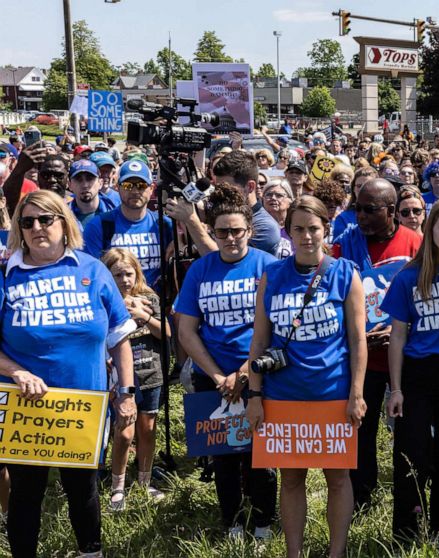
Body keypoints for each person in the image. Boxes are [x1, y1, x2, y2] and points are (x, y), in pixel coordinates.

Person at [0, 190, 136, 558]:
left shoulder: (93, 269)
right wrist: (18, 371)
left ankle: (91, 552)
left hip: (83, 407)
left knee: (84, 488)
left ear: (65, 222)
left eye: (46, 219)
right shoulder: (6, 274)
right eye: (27, 222)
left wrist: (127, 392)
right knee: (26, 493)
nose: (37, 228)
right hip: (25, 409)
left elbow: (119, 338)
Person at [245, 196, 367, 558]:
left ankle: (336, 552)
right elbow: (260, 339)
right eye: (298, 228)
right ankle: (293, 553)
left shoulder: (346, 273)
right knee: (292, 479)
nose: (306, 236)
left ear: (325, 229)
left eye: (313, 228)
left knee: (337, 478)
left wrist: (357, 393)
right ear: (288, 230)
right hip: (283, 396)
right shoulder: (273, 275)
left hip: (333, 392)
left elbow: (358, 339)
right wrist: (254, 395)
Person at [173, 185, 278, 539]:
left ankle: (263, 522)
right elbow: (187, 329)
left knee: (260, 454)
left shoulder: (269, 267)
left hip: (259, 375)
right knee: (224, 457)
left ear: (249, 230)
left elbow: (278, 329)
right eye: (222, 232)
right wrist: (219, 376)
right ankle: (232, 521)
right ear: (213, 232)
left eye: (237, 231)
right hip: (213, 378)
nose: (230, 238)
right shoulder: (200, 270)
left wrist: (245, 372)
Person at [382, 198, 439, 542]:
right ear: (430, 228)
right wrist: (396, 388)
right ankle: (406, 532)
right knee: (411, 455)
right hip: (419, 372)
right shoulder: (409, 276)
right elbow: (398, 336)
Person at [330, 179, 422, 510]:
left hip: (405, 356)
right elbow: (331, 295)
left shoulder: (415, 244)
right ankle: (361, 497)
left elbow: (428, 297)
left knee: (408, 432)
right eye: (357, 208)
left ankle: (408, 500)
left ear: (391, 211)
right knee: (361, 430)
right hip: (362, 358)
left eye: (369, 210)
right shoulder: (344, 244)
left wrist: (402, 331)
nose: (360, 217)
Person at [102, 248, 168, 512]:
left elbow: (167, 333)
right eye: (117, 275)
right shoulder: (103, 300)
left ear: (137, 273)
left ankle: (144, 480)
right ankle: (117, 486)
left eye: (129, 274)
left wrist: (145, 316)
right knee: (124, 431)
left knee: (147, 429)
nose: (124, 280)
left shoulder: (148, 297)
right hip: (119, 377)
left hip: (150, 372)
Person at [82, 159, 173, 291]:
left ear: (151, 188)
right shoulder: (99, 225)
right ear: (117, 188)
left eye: (141, 185)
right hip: (116, 302)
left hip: (158, 302)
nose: (135, 191)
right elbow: (90, 274)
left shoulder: (164, 225)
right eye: (128, 185)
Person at [262, 180, 295, 259]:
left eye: (279, 195)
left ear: (290, 200)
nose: (273, 198)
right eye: (269, 195)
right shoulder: (256, 227)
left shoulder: (295, 227)